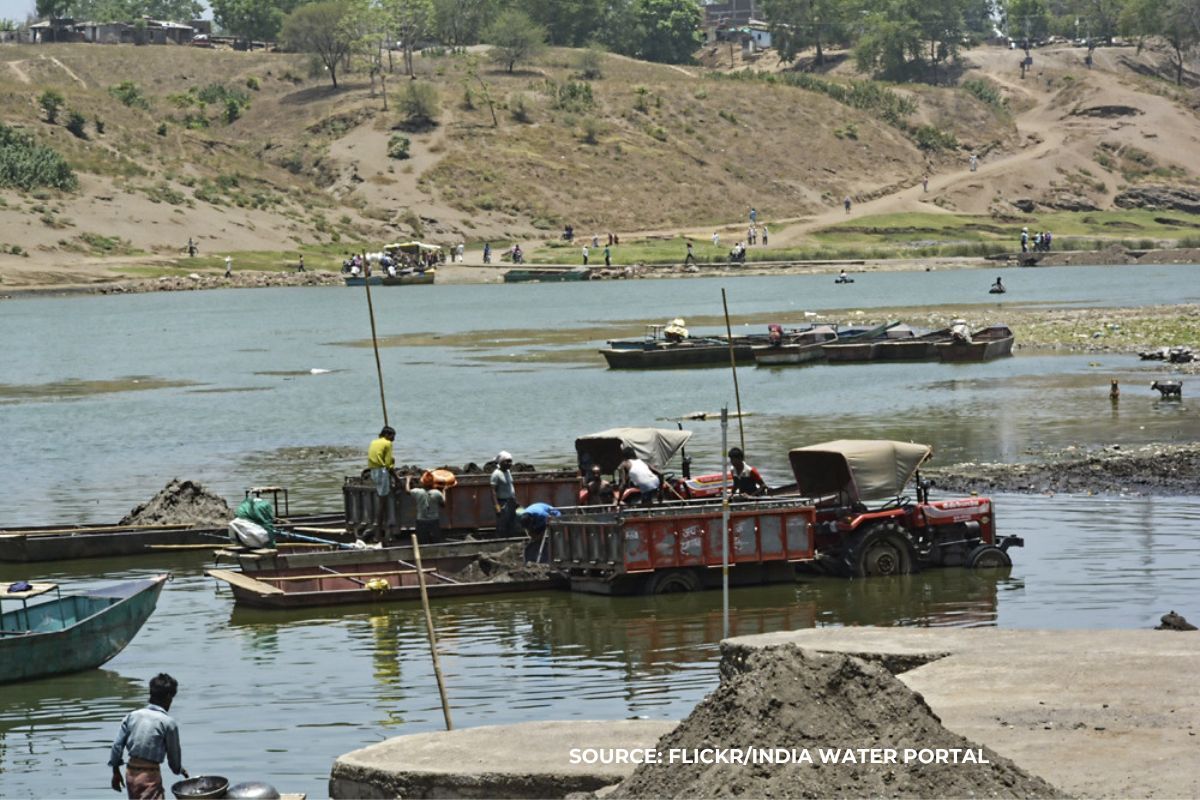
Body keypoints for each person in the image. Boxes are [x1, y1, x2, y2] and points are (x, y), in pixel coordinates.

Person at [108, 673, 187, 799]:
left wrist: (116, 771)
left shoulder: (132, 716)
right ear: (168, 697)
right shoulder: (168, 723)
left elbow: (117, 746)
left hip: (131, 774)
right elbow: (174, 757)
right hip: (149, 776)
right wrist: (179, 769)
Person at [367, 426, 396, 542]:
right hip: (381, 471)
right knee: (382, 503)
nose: (394, 439)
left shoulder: (374, 442)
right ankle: (378, 533)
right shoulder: (388, 443)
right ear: (387, 435)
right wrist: (397, 479)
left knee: (381, 499)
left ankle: (379, 530)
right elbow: (388, 465)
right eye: (393, 436)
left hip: (373, 471)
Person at [406, 472, 446, 544]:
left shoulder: (418, 492)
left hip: (421, 520)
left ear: (423, 482)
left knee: (422, 542)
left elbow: (407, 491)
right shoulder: (437, 493)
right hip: (434, 520)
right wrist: (443, 491)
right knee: (436, 541)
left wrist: (408, 480)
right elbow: (443, 504)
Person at [491, 451, 518, 537]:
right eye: (507, 461)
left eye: (511, 461)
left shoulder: (508, 472)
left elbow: (510, 487)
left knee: (512, 522)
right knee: (502, 524)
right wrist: (497, 506)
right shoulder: (496, 474)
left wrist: (515, 501)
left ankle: (511, 539)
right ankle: (500, 540)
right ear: (501, 462)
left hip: (511, 501)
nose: (510, 463)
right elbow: (493, 491)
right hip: (502, 502)